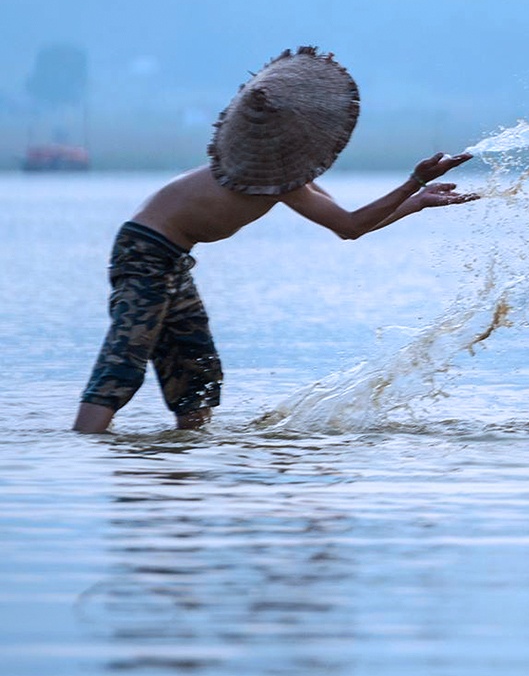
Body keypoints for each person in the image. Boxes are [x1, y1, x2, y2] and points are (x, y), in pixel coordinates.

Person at [73, 47, 479, 434]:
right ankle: (84, 446)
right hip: (144, 251)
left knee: (196, 369)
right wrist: (414, 182)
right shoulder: (271, 178)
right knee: (126, 357)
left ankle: (188, 451)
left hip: (172, 257)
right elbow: (350, 226)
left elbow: (350, 224)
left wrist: (417, 201)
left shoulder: (286, 177)